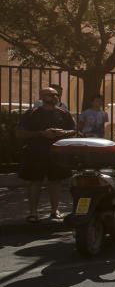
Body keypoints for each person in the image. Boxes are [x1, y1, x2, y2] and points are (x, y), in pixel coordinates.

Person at [16, 87, 77, 222]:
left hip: (57, 153)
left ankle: (55, 210)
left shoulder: (63, 113)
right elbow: (19, 133)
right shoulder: (32, 114)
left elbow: (74, 130)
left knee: (56, 182)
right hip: (36, 153)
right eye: (51, 95)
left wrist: (62, 133)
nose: (55, 97)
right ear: (42, 97)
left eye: (56, 95)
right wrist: (40, 133)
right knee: (35, 182)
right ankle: (33, 212)